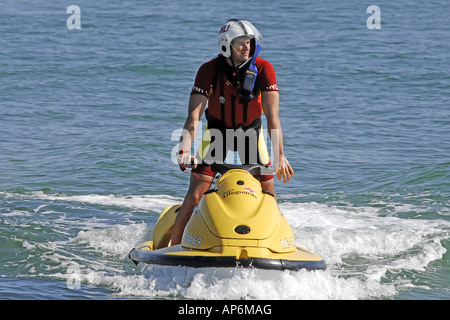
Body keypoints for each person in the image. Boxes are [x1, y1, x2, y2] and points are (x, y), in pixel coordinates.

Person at [172, 19, 294, 244]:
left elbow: (272, 116)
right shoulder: (208, 70)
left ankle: (278, 245)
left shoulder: (264, 69)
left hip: (251, 134)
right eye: (240, 43)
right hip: (217, 133)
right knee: (195, 196)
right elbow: (194, 117)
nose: (246, 47)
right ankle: (169, 250)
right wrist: (185, 149)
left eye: (249, 42)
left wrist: (280, 154)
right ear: (226, 45)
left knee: (269, 196)